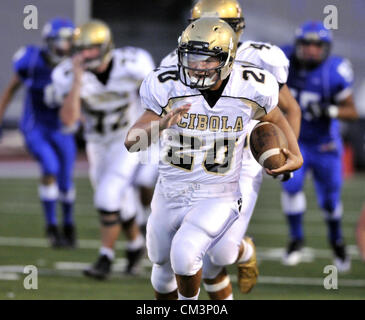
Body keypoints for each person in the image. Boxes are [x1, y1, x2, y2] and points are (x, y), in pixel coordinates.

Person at [125, 17, 303, 300]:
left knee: (187, 256)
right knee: (161, 268)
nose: (197, 65)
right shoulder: (167, 85)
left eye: (207, 59)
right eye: (192, 57)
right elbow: (132, 143)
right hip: (171, 190)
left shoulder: (251, 87)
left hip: (218, 191)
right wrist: (162, 125)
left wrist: (295, 153)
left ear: (228, 58)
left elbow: (277, 117)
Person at [54, 20, 155, 278]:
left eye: (91, 48)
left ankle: (105, 258)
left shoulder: (132, 63)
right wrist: (78, 80)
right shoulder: (66, 74)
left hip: (128, 139)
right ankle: (134, 246)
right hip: (97, 143)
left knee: (108, 196)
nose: (85, 54)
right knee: (118, 201)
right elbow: (68, 120)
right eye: (81, 48)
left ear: (106, 46)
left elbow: (156, 96)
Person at [280, 21, 358, 271]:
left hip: (325, 144)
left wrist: (330, 109)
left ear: (325, 48)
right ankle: (296, 239)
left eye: (317, 45)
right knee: (291, 187)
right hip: (296, 140)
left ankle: (336, 241)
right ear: (298, 45)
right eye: (307, 44)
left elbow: (352, 111)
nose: (312, 50)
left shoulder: (334, 71)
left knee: (330, 201)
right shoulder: (283, 61)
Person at [0, 18, 77, 248]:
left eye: (69, 40)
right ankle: (52, 226)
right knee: (50, 167)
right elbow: (10, 91)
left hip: (63, 128)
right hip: (36, 126)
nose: (66, 45)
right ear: (50, 40)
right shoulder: (31, 60)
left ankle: (69, 225)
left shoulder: (76, 64)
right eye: (62, 40)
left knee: (65, 180)